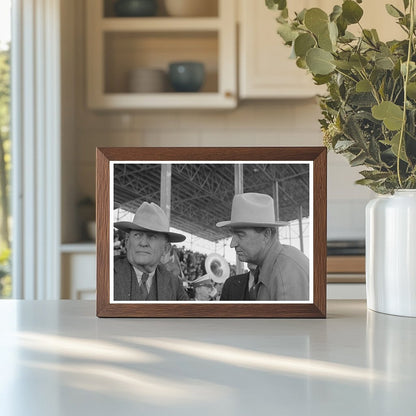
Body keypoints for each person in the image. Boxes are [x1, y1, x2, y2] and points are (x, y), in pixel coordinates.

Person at [216, 193, 309, 301]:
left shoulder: (286, 272)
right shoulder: (271, 267)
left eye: (240, 235)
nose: (232, 244)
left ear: (266, 234)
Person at [113, 201, 189, 301]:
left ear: (165, 249)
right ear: (127, 242)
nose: (143, 243)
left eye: (152, 236)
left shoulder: (174, 284)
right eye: (137, 235)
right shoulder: (104, 272)